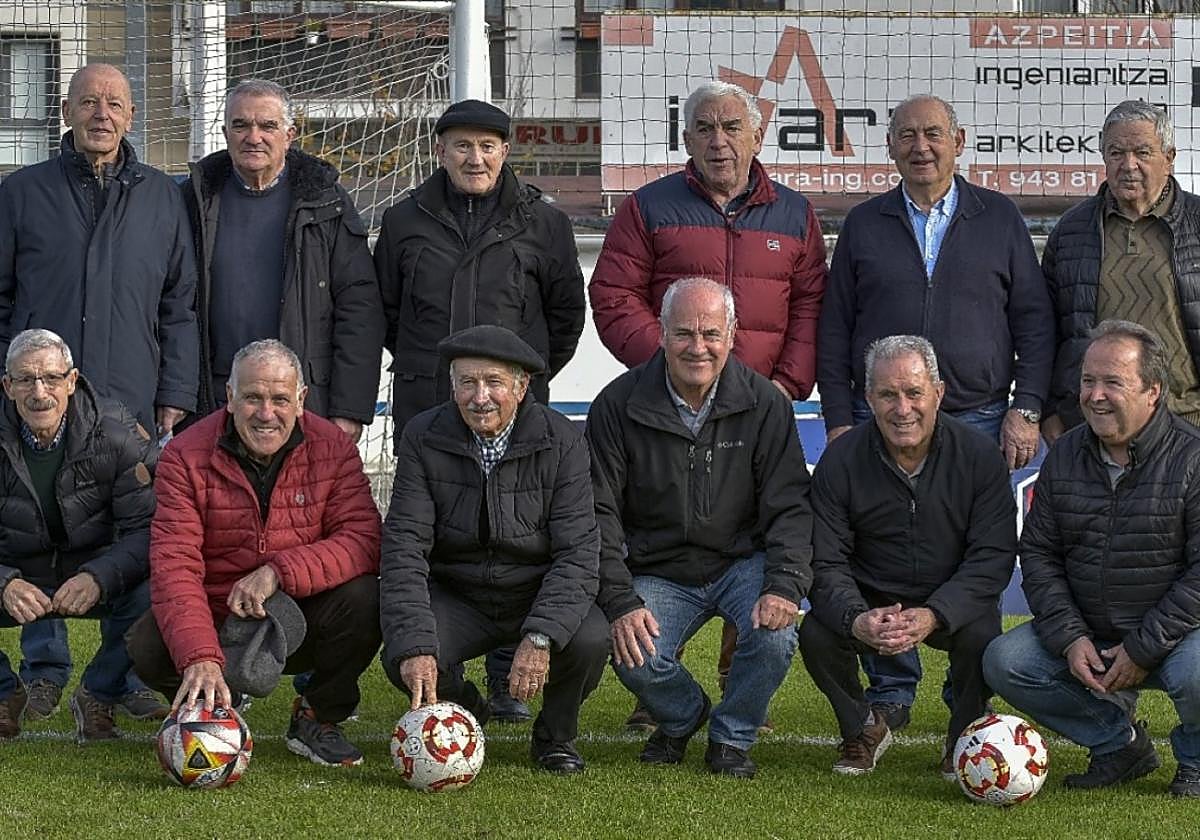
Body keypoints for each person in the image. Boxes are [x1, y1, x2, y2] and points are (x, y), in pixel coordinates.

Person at [589, 80, 827, 730]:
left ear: (757, 134)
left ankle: (738, 686)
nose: (718, 140)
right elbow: (613, 295)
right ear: (686, 138)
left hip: (762, 410)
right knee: (669, 535)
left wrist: (785, 387)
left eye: (730, 127)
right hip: (670, 407)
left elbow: (810, 305)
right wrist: (671, 371)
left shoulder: (795, 214)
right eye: (704, 128)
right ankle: (660, 692)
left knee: (751, 538)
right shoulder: (647, 207)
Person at [816, 93, 1053, 732]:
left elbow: (1033, 321)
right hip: (878, 420)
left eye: (934, 134)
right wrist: (839, 416)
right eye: (907, 136)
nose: (921, 147)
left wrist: (1025, 408)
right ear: (890, 146)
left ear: (960, 140)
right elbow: (835, 327)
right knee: (883, 551)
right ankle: (891, 688)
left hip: (977, 416)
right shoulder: (865, 224)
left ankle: (966, 698)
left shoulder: (999, 218)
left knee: (966, 557)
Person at [373, 98, 586, 723]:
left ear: (505, 152)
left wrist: (515, 381)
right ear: (440, 150)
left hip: (516, 413)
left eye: (488, 146)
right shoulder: (405, 219)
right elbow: (387, 311)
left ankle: (506, 676)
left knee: (517, 535)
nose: (476, 158)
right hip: (429, 405)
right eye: (463, 145)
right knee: (432, 535)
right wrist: (438, 373)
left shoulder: (542, 223)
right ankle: (447, 669)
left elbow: (566, 317)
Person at [0, 62, 198, 727]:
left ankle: (116, 679)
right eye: (88, 103)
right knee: (33, 520)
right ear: (66, 111)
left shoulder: (165, 197)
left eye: (114, 103)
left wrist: (174, 392)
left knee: (134, 535)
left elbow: (180, 305)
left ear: (132, 115)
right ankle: (43, 671)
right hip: (39, 396)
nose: (100, 114)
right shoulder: (21, 193)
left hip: (132, 395)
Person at [587, 277, 812, 779]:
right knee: (628, 651)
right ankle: (685, 715)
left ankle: (731, 739)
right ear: (661, 334)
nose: (698, 347)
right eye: (684, 333)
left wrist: (784, 585)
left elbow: (790, 505)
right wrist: (621, 601)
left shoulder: (765, 404)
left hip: (741, 563)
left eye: (711, 333)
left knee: (774, 637)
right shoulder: (616, 405)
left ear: (732, 336)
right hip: (659, 569)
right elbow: (596, 513)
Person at [128, 339, 381, 767]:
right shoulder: (183, 456)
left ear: (300, 400)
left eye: (280, 399)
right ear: (229, 398)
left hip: (301, 612)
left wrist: (279, 571)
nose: (266, 413)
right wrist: (200, 656)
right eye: (252, 398)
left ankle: (318, 714)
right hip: (219, 613)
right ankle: (215, 703)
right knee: (147, 645)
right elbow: (176, 566)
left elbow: (364, 538)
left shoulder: (333, 447)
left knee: (367, 599)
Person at [984, 320, 1200, 798]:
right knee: (1005, 661)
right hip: (1090, 631)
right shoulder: (1064, 457)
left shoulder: (1192, 458)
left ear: (1153, 391)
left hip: (1175, 636)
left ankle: (1196, 758)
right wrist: (1069, 637)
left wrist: (1143, 648)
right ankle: (1119, 743)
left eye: (1112, 383)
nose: (1095, 395)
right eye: (1087, 381)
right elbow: (1039, 552)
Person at [380, 325, 607, 774]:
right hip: (457, 593)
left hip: (533, 590)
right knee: (404, 653)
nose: (479, 397)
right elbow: (404, 545)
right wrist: (417, 643)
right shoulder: (423, 435)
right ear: (452, 385)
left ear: (522, 388)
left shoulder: (563, 440)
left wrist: (541, 634)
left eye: (494, 383)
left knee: (589, 638)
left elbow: (578, 553)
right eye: (467, 382)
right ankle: (467, 709)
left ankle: (555, 737)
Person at [801, 334, 1016, 777]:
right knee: (817, 634)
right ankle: (862, 727)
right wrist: (855, 618)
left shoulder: (979, 457)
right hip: (871, 596)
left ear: (938, 392)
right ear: (869, 398)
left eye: (914, 392)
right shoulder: (840, 460)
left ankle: (963, 739)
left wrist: (936, 613)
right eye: (887, 394)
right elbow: (825, 562)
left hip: (950, 595)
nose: (902, 409)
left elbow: (992, 558)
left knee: (984, 634)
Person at [183, 78, 383, 438]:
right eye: (241, 125)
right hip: (212, 400)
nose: (253, 136)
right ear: (225, 132)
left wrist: (349, 408)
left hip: (303, 403)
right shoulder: (192, 201)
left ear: (289, 135)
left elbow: (360, 309)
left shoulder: (327, 204)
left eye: (267, 126)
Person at [0, 329, 158, 742]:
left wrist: (100, 576)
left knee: (164, 584)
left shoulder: (119, 434)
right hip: (18, 570)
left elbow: (147, 528)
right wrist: (4, 582)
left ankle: (99, 692)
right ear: (7, 386)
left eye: (51, 378)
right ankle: (3, 693)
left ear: (72, 381)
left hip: (93, 568)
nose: (39, 392)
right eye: (25, 379)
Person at [1042, 100, 1200, 444]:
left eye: (1142, 152)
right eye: (1116, 153)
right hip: (1095, 425)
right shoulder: (1072, 231)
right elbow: (1047, 330)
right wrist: (1051, 410)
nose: (1129, 165)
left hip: (1187, 420)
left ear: (1169, 158)